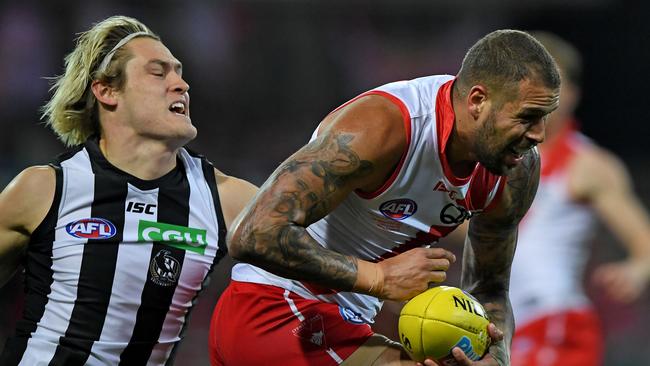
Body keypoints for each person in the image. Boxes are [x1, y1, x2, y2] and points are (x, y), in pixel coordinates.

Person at [210, 29, 561, 366]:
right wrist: (376, 278)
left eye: (545, 117)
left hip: (342, 323)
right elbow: (252, 234)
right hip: (272, 311)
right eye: (528, 117)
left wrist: (495, 357)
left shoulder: (515, 171)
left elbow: (490, 285)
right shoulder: (385, 125)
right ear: (478, 101)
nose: (539, 135)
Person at [0, 16, 257, 366]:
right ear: (106, 91)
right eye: (158, 72)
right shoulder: (44, 190)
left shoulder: (227, 200)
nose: (181, 84)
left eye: (179, 72)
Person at [508, 32, 650, 366]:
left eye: (549, 85)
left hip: (555, 320)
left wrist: (635, 270)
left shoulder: (588, 165)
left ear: (571, 93)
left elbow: (645, 241)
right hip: (510, 326)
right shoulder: (502, 162)